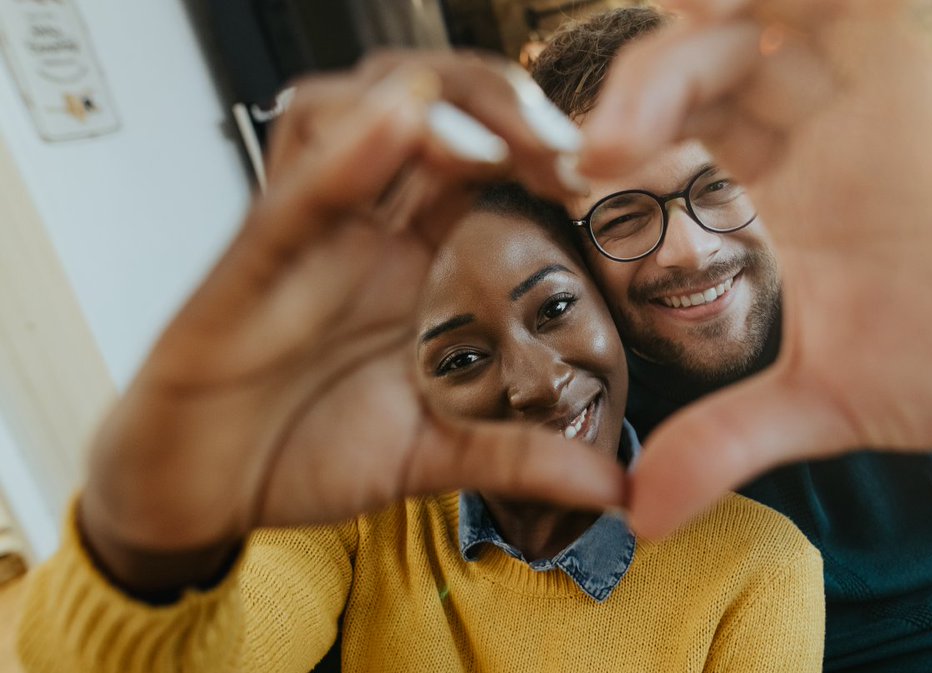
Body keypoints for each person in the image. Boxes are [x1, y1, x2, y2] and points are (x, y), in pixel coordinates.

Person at [528, 5, 932, 673]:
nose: (689, 248)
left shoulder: (870, 297)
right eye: (620, 216)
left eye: (721, 182)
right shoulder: (574, 408)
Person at [17, 164, 824, 669]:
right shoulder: (356, 519)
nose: (539, 383)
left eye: (554, 308)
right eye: (460, 359)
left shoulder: (759, 570)